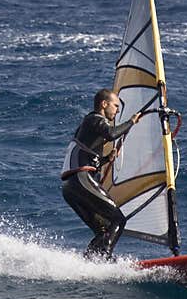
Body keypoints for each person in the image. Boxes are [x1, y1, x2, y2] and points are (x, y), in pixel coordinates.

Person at [60, 88, 141, 260]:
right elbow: (111, 134)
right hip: (81, 180)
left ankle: (88, 262)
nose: (117, 110)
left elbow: (88, 159)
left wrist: (106, 159)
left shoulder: (87, 127)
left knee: (103, 230)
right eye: (115, 106)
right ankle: (105, 258)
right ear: (104, 104)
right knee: (118, 219)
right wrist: (131, 122)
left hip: (71, 187)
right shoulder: (94, 119)